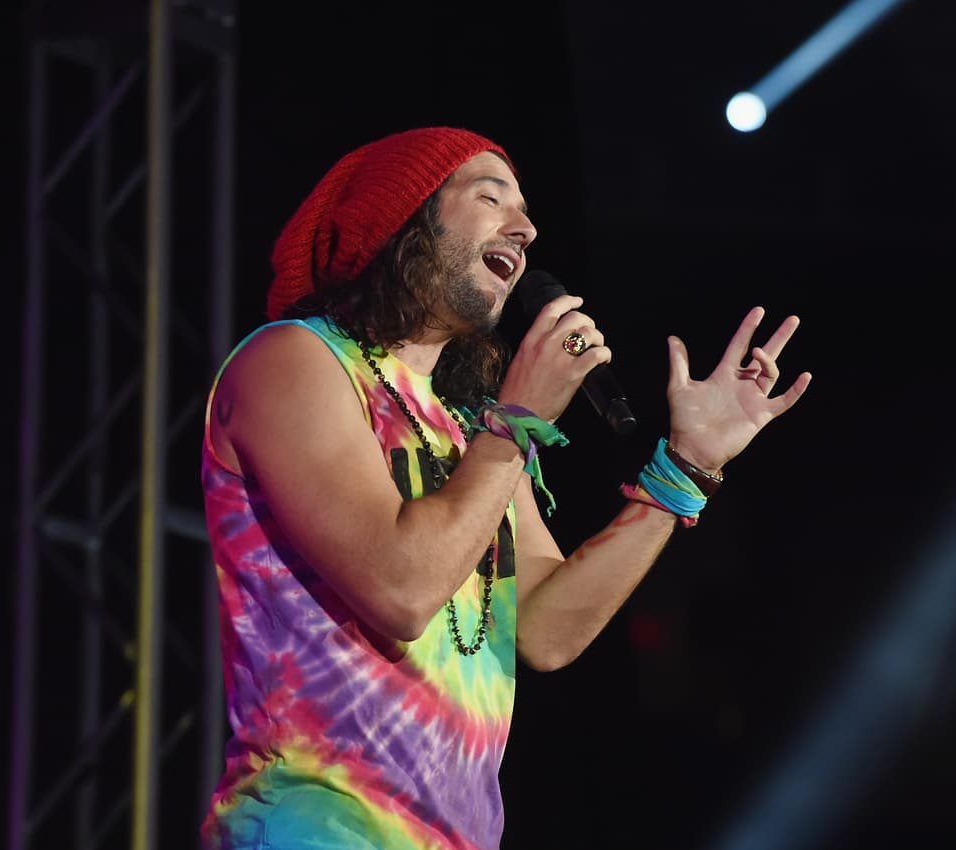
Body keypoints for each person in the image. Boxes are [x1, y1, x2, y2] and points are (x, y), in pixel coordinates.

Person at [199, 126, 811, 850]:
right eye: (491, 198)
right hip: (312, 826)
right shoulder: (293, 361)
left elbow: (546, 629)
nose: (525, 228)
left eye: (523, 211)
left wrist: (682, 470)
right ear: (405, 220)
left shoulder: (467, 430)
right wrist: (517, 421)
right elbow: (400, 588)